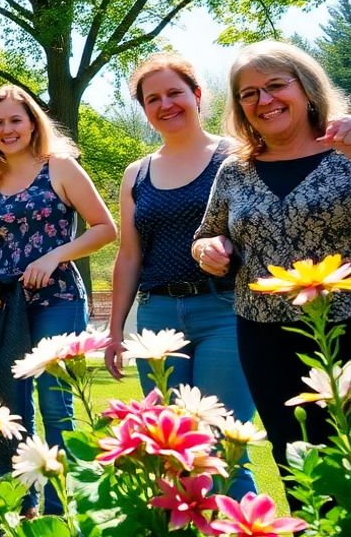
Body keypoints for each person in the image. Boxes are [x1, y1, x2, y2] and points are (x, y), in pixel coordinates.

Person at [193, 41, 351, 488]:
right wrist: (207, 250)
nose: (264, 100)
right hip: (263, 334)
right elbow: (207, 234)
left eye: (276, 85)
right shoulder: (235, 170)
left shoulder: (346, 151)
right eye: (249, 93)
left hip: (343, 324)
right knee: (296, 462)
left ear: (307, 89)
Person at [103, 55, 257, 499]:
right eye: (153, 99)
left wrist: (228, 247)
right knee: (170, 452)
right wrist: (115, 331)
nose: (166, 104)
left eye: (174, 93)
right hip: (158, 318)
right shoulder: (138, 173)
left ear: (197, 95)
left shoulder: (237, 156)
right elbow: (129, 255)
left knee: (221, 448)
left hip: (226, 311)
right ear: (144, 109)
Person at [0, 85, 117, 514]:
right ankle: (26, 504)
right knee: (13, 405)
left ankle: (62, 508)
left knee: (55, 404)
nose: (7, 129)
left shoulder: (60, 167)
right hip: (8, 305)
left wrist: (54, 256)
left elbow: (105, 228)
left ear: (33, 122)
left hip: (59, 299)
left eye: (16, 119)